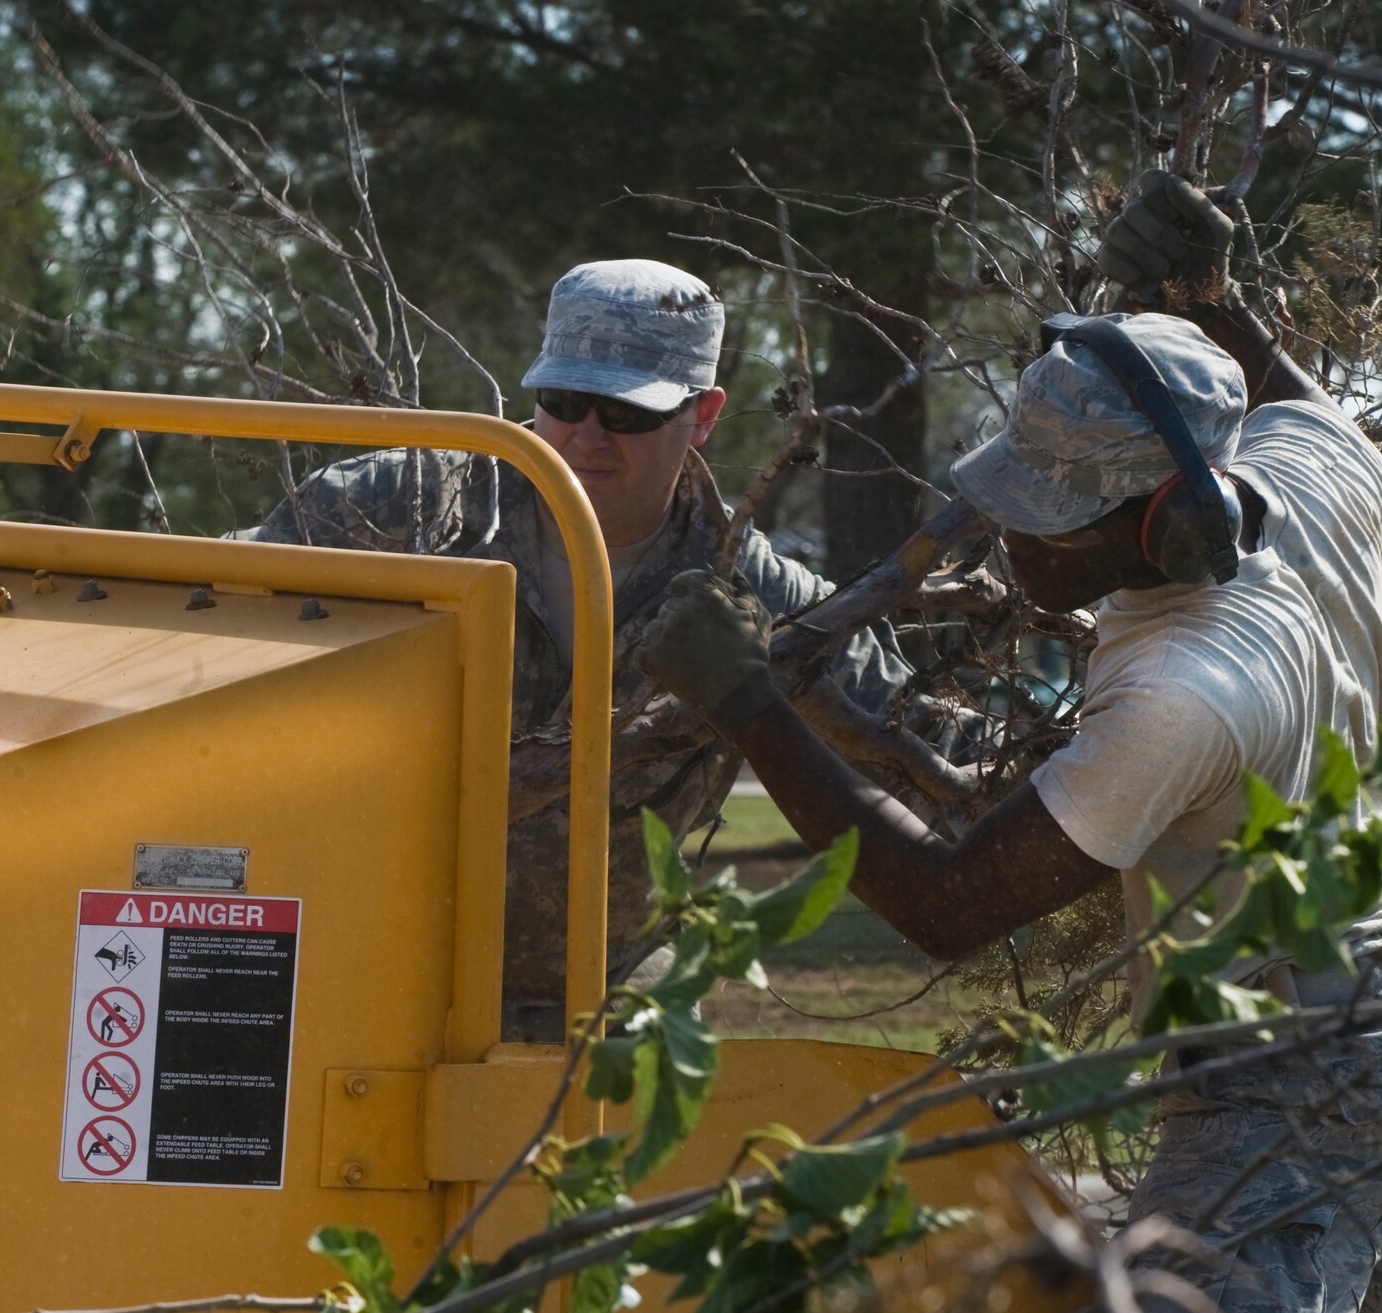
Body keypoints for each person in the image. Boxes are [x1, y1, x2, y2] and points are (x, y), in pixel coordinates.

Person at [635, 173, 1382, 1311]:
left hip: (1294, 1092)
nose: (1013, 533)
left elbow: (945, 903)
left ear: (1164, 520)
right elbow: (1291, 394)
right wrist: (1204, 294)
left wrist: (745, 703)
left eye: (1048, 517)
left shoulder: (1183, 693)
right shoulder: (1309, 474)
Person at [240, 258, 914, 1043]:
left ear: (703, 416)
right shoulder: (403, 513)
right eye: (563, 402)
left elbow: (913, 735)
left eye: (626, 411)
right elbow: (192, 618)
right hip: (364, 983)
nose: (585, 437)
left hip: (609, 1008)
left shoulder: (750, 592)